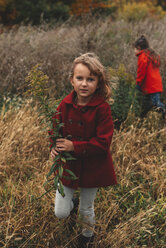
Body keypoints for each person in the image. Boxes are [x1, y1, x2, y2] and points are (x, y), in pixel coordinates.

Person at [49, 53, 117, 247]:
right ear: (72, 80)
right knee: (60, 212)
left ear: (98, 82)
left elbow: (103, 143)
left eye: (90, 79)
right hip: (69, 164)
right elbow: (55, 128)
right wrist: (53, 145)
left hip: (92, 166)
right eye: (80, 78)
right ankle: (71, 205)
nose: (84, 84)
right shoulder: (65, 104)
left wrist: (74, 146)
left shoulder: (102, 108)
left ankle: (87, 237)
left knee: (87, 208)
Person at [134, 35, 166, 119]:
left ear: (139, 47)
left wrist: (138, 83)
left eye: (135, 48)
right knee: (147, 104)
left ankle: (140, 119)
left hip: (151, 86)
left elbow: (141, 72)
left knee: (157, 104)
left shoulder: (143, 56)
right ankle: (141, 119)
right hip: (155, 84)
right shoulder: (151, 55)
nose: (134, 51)